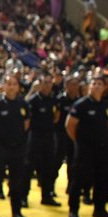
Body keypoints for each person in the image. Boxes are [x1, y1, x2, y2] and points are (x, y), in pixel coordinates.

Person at [65, 75, 108, 217]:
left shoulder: (106, 105)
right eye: (94, 83)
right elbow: (70, 125)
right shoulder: (81, 104)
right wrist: (79, 141)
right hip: (84, 148)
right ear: (89, 86)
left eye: (100, 84)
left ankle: (100, 209)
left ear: (104, 87)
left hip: (101, 147)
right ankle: (73, 209)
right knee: (78, 179)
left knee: (101, 179)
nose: (97, 86)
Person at [0, 73, 29, 217]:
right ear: (3, 86)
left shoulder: (23, 104)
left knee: (17, 180)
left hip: (17, 147)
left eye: (14, 84)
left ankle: (16, 211)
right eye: (8, 84)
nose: (11, 87)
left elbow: (26, 124)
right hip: (0, 147)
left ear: (18, 87)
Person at [24, 76, 61, 206]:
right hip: (35, 135)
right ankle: (23, 196)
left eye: (49, 83)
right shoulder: (33, 100)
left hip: (49, 135)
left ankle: (47, 195)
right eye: (44, 83)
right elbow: (25, 115)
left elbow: (57, 115)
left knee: (48, 167)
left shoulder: (53, 99)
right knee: (29, 166)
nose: (47, 86)